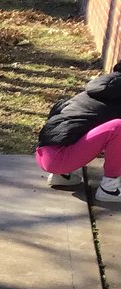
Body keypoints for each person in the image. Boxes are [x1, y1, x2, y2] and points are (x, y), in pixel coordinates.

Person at [36, 62, 121, 203]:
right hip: (61, 157)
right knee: (118, 127)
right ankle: (110, 189)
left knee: (85, 121)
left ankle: (63, 176)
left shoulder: (98, 90)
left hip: (44, 153)